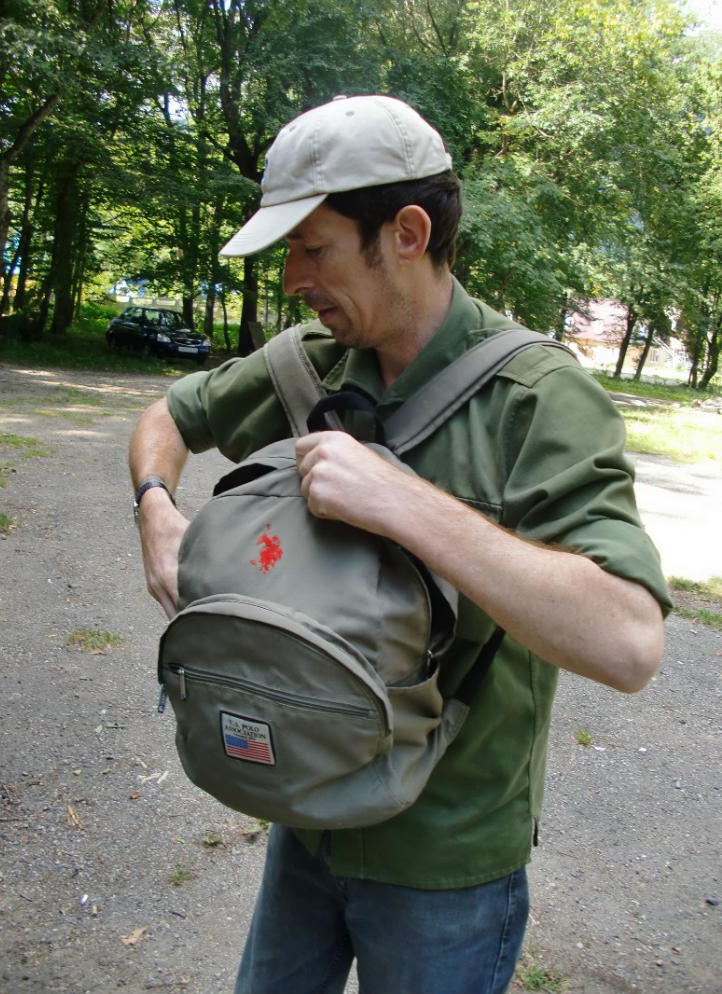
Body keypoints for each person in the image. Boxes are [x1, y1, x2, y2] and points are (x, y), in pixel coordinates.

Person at [129, 95, 671, 994]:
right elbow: (166, 418)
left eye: (314, 248)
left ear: (408, 233)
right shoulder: (307, 364)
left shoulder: (540, 399)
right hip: (304, 815)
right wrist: (155, 508)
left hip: (446, 866)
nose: (292, 277)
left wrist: (406, 503)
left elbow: (628, 643)